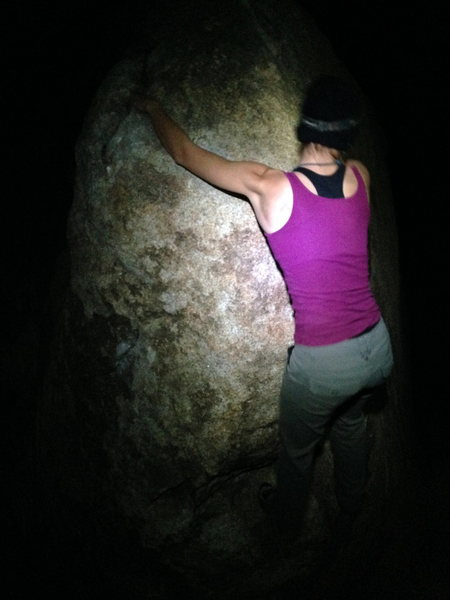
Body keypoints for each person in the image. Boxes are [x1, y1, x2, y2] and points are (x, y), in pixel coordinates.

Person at [132, 75, 393, 538]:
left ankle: (283, 530)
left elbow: (185, 154)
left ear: (304, 129)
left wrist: (152, 107)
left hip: (323, 363)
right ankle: (352, 506)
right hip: (376, 347)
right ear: (346, 136)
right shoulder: (362, 177)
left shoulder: (271, 186)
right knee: (351, 424)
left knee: (296, 455)